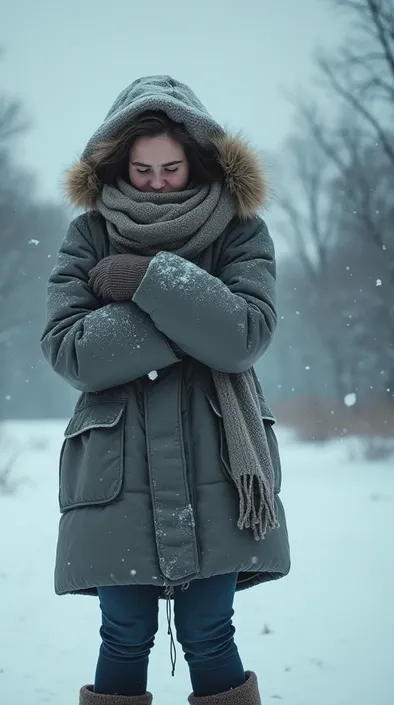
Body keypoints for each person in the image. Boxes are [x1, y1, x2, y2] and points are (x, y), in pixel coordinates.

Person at [40, 75, 290, 705]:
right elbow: (72, 351)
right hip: (116, 472)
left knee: (210, 632)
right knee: (123, 634)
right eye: (142, 168)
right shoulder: (88, 236)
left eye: (170, 168)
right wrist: (193, 316)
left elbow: (245, 336)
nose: (155, 180)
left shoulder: (239, 231)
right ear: (118, 162)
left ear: (198, 160)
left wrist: (153, 281)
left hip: (220, 468)